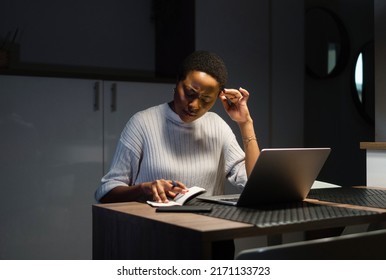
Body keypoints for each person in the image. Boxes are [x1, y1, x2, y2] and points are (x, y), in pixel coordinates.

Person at [94, 50, 260, 258]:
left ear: (219, 97)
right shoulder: (143, 123)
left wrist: (245, 123)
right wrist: (144, 189)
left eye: (206, 100)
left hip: (209, 239)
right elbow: (106, 192)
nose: (193, 105)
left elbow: (255, 185)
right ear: (177, 81)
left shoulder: (217, 126)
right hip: (157, 239)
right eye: (189, 93)